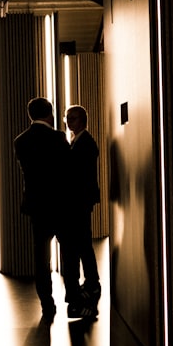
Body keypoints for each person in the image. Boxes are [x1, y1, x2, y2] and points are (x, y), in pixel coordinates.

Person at [13, 97, 94, 320]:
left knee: (41, 257)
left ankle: (47, 304)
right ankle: (73, 300)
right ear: (50, 114)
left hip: (37, 207)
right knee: (69, 254)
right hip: (61, 206)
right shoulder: (58, 138)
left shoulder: (21, 141)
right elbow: (68, 172)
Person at [61, 104, 102, 310]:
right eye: (67, 118)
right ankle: (92, 282)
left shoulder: (84, 143)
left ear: (83, 120)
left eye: (73, 118)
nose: (69, 122)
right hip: (81, 201)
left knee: (82, 243)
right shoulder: (79, 141)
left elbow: (78, 175)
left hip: (79, 201)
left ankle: (92, 282)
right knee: (84, 242)